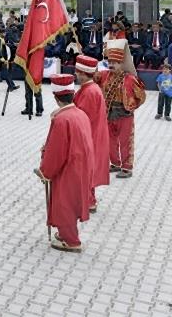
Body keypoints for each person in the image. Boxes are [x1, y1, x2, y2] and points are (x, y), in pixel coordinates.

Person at [34, 74, 94, 252]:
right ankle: (64, 232)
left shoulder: (61, 119)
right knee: (72, 200)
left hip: (69, 167)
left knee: (64, 203)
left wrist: (46, 171)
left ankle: (71, 240)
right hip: (82, 165)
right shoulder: (80, 114)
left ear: (55, 97)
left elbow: (56, 151)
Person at [96, 39, 146, 178]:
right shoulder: (104, 75)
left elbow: (141, 96)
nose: (111, 65)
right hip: (108, 113)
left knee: (126, 142)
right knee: (110, 141)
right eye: (110, 62)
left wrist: (132, 106)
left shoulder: (130, 78)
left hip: (124, 114)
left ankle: (127, 168)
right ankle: (115, 163)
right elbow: (92, 78)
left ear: (122, 63)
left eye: (115, 62)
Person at [73, 55, 110, 213]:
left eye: (77, 71)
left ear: (83, 73)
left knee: (85, 169)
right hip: (93, 134)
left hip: (89, 136)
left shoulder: (89, 92)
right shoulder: (91, 88)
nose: (75, 74)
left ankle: (88, 202)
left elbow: (81, 117)